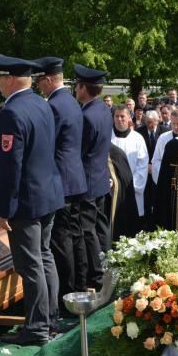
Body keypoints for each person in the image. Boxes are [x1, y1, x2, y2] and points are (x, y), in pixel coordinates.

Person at [0, 53, 63, 346]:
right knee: (44, 258)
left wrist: (5, 210)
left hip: (27, 202)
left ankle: (36, 328)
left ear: (9, 79)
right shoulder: (40, 103)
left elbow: (10, 167)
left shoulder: (12, 113)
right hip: (47, 196)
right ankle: (50, 319)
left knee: (31, 264)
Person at [33, 56, 88, 308]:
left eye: (39, 82)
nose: (38, 87)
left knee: (61, 239)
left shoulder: (54, 105)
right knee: (74, 236)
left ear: (48, 79)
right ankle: (79, 286)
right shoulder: (71, 101)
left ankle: (67, 291)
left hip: (62, 182)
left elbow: (47, 145)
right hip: (75, 177)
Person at [74, 64, 113, 290]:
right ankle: (106, 267)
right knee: (101, 226)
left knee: (88, 229)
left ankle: (96, 276)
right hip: (99, 178)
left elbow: (81, 151)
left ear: (83, 88)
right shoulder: (102, 110)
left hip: (88, 180)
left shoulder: (87, 115)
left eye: (77, 86)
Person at [110, 105, 149, 233]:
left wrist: (131, 185)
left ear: (129, 118)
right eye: (117, 116)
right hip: (111, 189)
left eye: (122, 116)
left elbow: (142, 165)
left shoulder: (137, 138)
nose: (119, 119)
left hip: (132, 189)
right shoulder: (107, 137)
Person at [136, 110, 168, 224]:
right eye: (148, 122)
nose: (150, 125)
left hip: (158, 169)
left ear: (158, 121)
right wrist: (146, 165)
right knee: (146, 197)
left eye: (152, 122)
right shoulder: (139, 132)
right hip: (144, 169)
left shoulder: (164, 132)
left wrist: (154, 165)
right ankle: (145, 222)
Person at [150, 107, 178, 184]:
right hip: (166, 179)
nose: (176, 127)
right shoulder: (163, 138)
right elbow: (156, 160)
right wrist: (166, 174)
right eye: (173, 123)